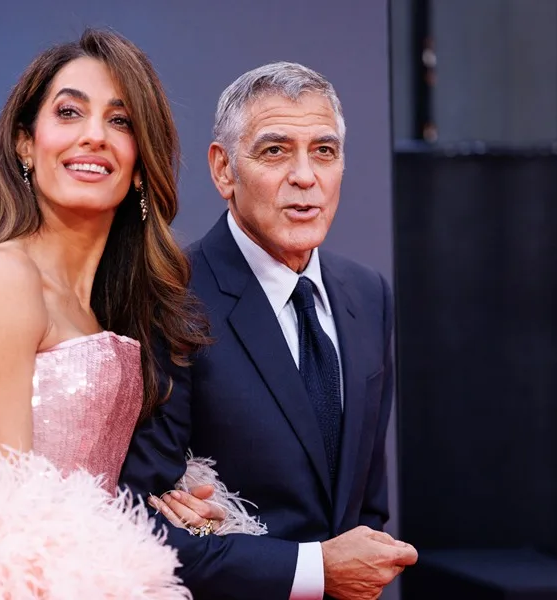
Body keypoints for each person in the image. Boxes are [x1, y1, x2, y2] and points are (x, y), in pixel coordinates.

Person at [0, 29, 261, 600]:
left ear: (139, 164)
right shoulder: (2, 277)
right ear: (25, 145)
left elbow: (101, 491)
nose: (94, 136)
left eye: (120, 121)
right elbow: (5, 519)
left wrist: (178, 519)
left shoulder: (110, 306)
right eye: (69, 112)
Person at [120, 62, 419, 600]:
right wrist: (315, 569)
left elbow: (365, 509)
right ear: (224, 170)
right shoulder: (167, 300)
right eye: (275, 151)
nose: (305, 176)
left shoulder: (368, 294)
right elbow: (137, 526)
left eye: (324, 151)